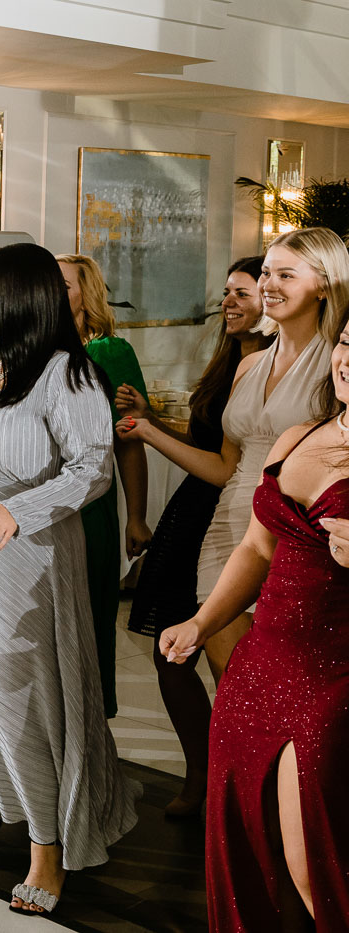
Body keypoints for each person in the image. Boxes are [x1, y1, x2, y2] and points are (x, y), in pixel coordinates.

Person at [0, 243, 139, 916]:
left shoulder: (68, 373)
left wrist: (20, 509)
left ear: (18, 296)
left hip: (23, 557)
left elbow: (93, 469)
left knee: (18, 695)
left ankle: (46, 843)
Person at [161, 301, 348, 931]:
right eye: (346, 343)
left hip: (332, 673)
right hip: (262, 663)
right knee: (249, 841)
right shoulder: (301, 435)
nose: (348, 360)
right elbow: (257, 548)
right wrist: (202, 623)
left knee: (313, 858)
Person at [118, 229, 337, 682]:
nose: (269, 285)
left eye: (286, 275)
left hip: (297, 532)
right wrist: (149, 431)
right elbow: (224, 468)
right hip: (228, 531)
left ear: (324, 284)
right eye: (267, 273)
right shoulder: (249, 366)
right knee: (232, 684)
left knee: (281, 687)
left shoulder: (337, 362)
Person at [117, 256, 271, 818]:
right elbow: (209, 441)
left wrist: (149, 432)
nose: (229, 302)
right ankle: (201, 775)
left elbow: (229, 466)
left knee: (229, 664)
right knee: (170, 658)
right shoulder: (231, 361)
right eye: (226, 292)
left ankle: (239, 789)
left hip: (231, 518)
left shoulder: (274, 368)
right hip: (193, 515)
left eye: (242, 293)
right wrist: (153, 417)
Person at [56, 253, 151, 718]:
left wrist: (136, 516)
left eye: (64, 285)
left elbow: (129, 440)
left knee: (87, 620)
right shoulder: (41, 349)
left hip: (88, 506)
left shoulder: (108, 352)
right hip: (41, 506)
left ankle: (90, 727)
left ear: (86, 295)